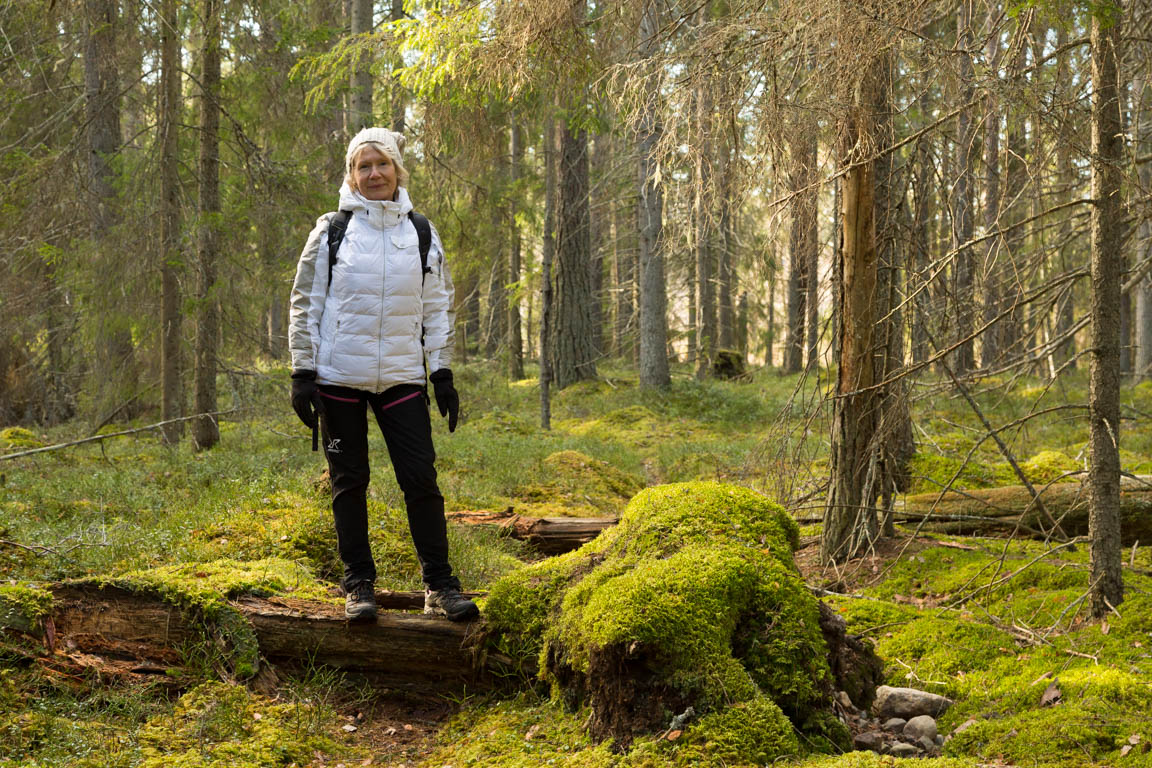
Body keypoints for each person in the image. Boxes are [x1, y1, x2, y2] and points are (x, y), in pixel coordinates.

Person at [287, 127, 478, 622]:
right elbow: (305, 302)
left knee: (421, 479)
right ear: (351, 175)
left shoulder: (419, 231)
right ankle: (359, 587)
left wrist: (442, 374)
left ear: (397, 171)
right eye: (363, 166)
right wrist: (302, 373)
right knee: (349, 482)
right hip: (337, 377)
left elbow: (436, 307)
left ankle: (439, 586)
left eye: (382, 164)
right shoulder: (332, 230)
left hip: (401, 377)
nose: (374, 174)